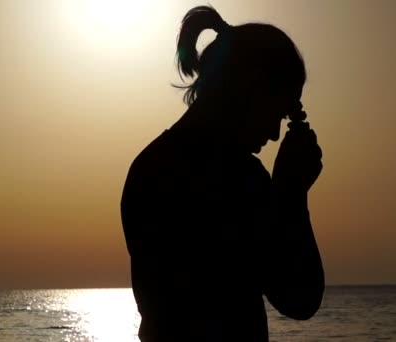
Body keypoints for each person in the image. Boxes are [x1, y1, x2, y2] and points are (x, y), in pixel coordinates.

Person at [120, 5, 325, 341]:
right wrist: (291, 192)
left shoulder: (150, 166)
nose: (275, 133)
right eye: (276, 111)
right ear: (249, 89)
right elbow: (299, 298)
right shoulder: (237, 179)